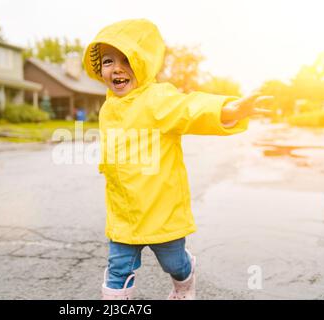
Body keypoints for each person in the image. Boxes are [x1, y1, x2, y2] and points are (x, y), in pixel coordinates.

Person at [82, 19, 272, 300]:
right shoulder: (109, 106)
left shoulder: (157, 100)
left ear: (143, 63)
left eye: (127, 60)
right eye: (109, 61)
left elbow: (190, 108)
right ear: (100, 69)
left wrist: (228, 110)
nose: (118, 68)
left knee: (174, 264)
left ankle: (185, 279)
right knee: (117, 270)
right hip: (123, 214)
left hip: (162, 210)